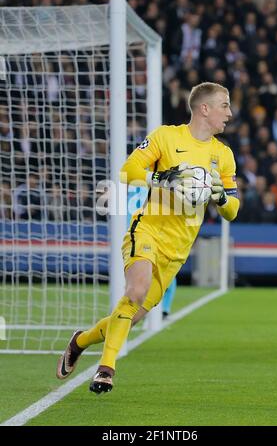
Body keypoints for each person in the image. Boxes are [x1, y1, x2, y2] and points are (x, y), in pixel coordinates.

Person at [56, 82, 239, 394]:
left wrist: (220, 197)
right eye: (224, 105)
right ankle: (106, 369)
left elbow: (232, 210)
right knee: (136, 290)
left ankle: (81, 340)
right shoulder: (166, 136)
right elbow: (128, 171)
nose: (230, 112)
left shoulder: (223, 155)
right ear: (204, 108)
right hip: (148, 229)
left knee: (130, 315)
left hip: (177, 251)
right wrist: (163, 178)